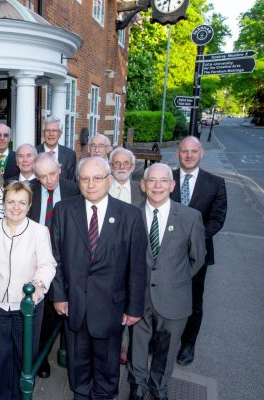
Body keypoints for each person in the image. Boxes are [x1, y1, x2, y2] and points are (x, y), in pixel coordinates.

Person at [51, 156, 148, 400]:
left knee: (107, 367)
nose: (90, 184)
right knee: (78, 363)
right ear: (78, 181)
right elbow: (55, 258)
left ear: (109, 179)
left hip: (111, 308)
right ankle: (81, 394)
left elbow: (137, 266)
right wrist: (59, 296)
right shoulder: (63, 210)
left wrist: (134, 308)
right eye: (85, 179)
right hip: (74, 305)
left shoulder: (130, 215)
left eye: (97, 178)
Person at [127, 163, 206, 400]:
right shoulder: (130, 214)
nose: (157, 186)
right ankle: (137, 388)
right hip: (138, 296)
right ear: (143, 185)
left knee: (167, 349)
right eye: (152, 180)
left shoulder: (191, 217)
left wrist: (173, 279)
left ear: (172, 185)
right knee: (137, 347)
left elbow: (197, 259)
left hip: (175, 297)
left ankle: (158, 388)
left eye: (163, 181)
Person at [0, 181, 57, 400]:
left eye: (22, 202)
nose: (16, 207)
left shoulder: (39, 232)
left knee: (24, 354)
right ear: (4, 203)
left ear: (29, 206)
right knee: (1, 354)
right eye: (11, 201)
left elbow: (47, 265)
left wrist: (39, 284)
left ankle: (21, 395)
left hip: (28, 306)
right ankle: (2, 395)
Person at [172, 136, 227, 366]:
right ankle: (161, 339)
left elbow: (218, 219)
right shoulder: (166, 178)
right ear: (177, 153)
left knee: (194, 300)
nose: (189, 155)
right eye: (184, 151)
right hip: (165, 252)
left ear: (201, 153)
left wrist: (192, 239)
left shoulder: (215, 183)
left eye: (193, 151)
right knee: (163, 296)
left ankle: (188, 344)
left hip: (198, 253)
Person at [27, 152, 79, 379]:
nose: (49, 180)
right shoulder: (27, 189)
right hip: (35, 259)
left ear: (59, 169)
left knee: (63, 309)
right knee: (42, 312)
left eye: (52, 173)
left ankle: (67, 352)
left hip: (66, 258)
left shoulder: (74, 189)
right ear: (36, 176)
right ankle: (41, 355)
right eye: (42, 176)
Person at [108, 146, 143, 366]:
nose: (121, 167)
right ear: (110, 166)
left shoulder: (142, 190)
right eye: (116, 163)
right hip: (109, 258)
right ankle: (117, 345)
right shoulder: (101, 186)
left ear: (132, 167)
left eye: (125, 164)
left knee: (134, 300)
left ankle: (134, 347)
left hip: (134, 254)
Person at [36, 116, 77, 181]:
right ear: (43, 133)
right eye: (47, 130)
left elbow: (72, 181)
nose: (51, 134)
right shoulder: (34, 153)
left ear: (60, 134)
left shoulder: (70, 155)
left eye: (54, 130)